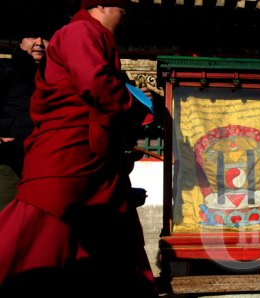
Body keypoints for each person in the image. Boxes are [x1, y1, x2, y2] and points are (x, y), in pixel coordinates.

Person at [0, 0, 158, 296]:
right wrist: (135, 106)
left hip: (92, 160)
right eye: (122, 11)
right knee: (35, 237)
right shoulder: (80, 32)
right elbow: (96, 84)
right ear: (102, 5)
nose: (124, 20)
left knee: (111, 240)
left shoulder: (89, 36)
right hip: (66, 160)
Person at [0, 35, 48, 210]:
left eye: (45, 38)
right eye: (32, 36)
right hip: (11, 160)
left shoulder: (59, 75)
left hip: (49, 164)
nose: (40, 42)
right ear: (20, 43)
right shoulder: (6, 69)